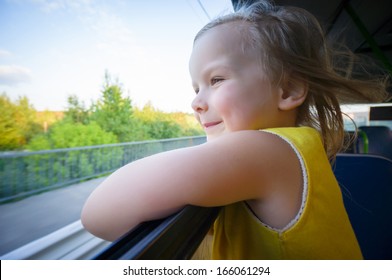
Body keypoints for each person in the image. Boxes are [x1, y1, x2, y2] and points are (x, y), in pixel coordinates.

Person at [81, 0, 388, 259]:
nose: (196, 102)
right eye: (196, 87)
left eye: (216, 80)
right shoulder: (288, 151)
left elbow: (99, 213)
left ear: (288, 90)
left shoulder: (268, 151)